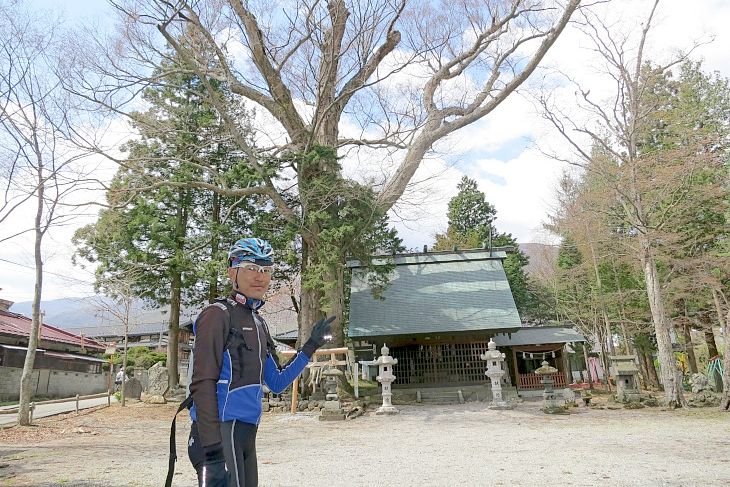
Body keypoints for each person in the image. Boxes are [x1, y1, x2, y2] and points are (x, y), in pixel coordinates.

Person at [185, 237, 333, 487]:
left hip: (246, 432)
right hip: (219, 433)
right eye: (252, 268)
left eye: (266, 270)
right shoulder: (216, 315)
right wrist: (212, 453)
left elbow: (276, 383)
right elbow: (201, 384)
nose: (260, 276)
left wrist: (310, 346)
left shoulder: (258, 322)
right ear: (233, 271)